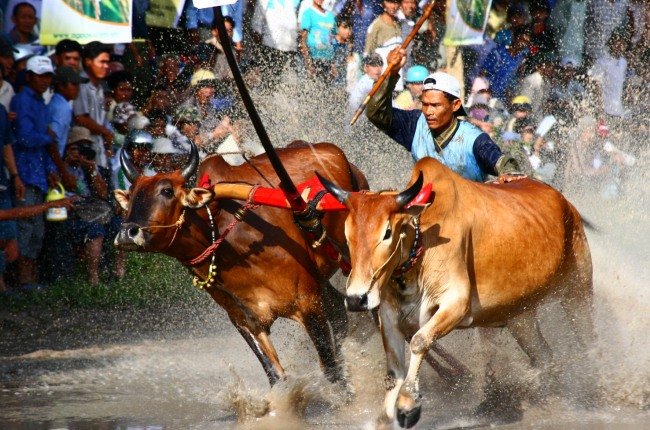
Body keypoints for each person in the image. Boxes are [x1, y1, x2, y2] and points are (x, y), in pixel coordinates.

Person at [366, 47, 520, 182]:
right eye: (425, 104)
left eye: (435, 105)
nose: (428, 111)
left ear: (455, 105)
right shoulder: (415, 124)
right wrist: (390, 73)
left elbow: (502, 162)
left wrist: (508, 174)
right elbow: (376, 113)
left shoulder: (474, 138)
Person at [9, 55, 60, 290]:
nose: (45, 80)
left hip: (37, 171)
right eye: (40, 76)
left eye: (48, 76)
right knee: (26, 227)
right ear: (29, 77)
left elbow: (39, 142)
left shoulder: (39, 102)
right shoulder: (22, 100)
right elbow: (24, 137)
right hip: (24, 172)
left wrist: (50, 169)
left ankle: (30, 279)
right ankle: (23, 280)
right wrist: (48, 138)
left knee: (36, 229)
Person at [73, 41, 113, 172]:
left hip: (99, 151)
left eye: (107, 62)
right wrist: (105, 132)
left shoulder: (100, 88)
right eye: (102, 62)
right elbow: (81, 118)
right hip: (83, 153)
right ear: (88, 61)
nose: (106, 66)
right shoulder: (81, 84)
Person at [299, 0, 336, 80]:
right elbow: (303, 41)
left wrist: (333, 64)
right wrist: (309, 63)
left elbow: (333, 41)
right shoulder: (308, 13)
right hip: (313, 58)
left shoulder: (330, 16)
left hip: (328, 60)